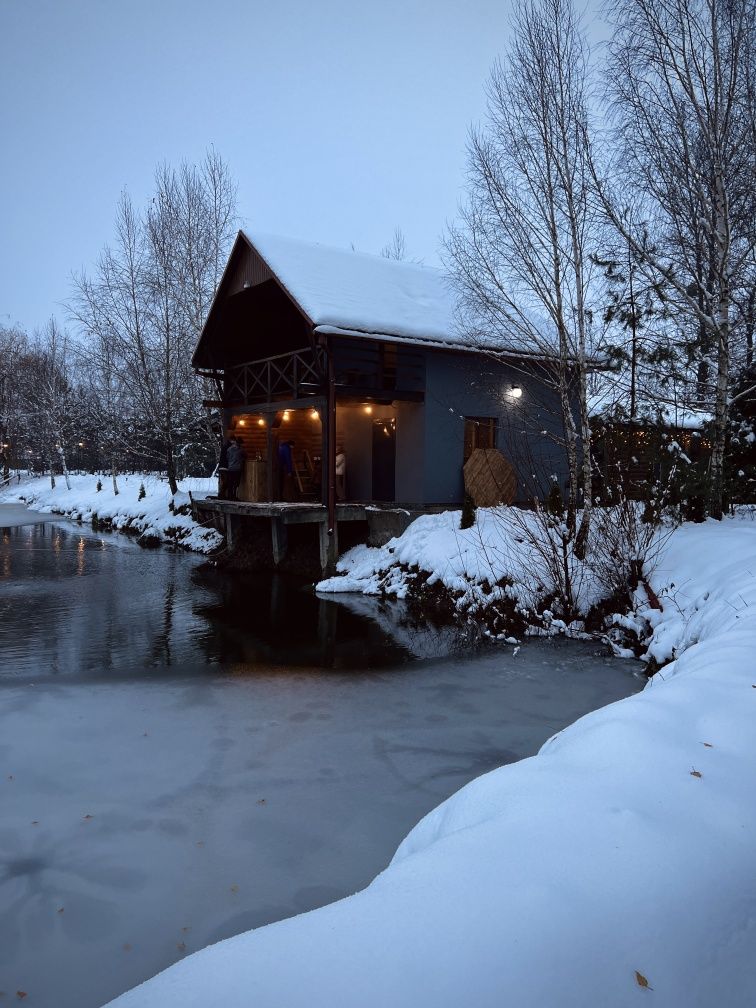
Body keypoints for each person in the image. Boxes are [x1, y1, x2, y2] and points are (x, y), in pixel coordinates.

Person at [226, 436, 246, 501]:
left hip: (230, 468)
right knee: (236, 484)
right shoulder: (241, 450)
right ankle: (235, 496)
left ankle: (230, 496)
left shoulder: (229, 449)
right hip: (237, 469)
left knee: (230, 483)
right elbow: (245, 456)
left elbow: (227, 457)